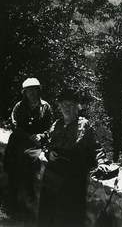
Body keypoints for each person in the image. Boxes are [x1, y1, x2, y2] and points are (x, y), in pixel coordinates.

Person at [37, 89, 111, 227]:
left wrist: (102, 162)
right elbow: (47, 143)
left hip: (72, 178)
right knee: (47, 215)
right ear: (59, 106)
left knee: (68, 217)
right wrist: (49, 153)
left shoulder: (84, 125)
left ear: (77, 106)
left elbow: (96, 147)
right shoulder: (57, 124)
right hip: (52, 177)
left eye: (70, 104)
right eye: (63, 104)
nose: (67, 108)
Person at [3, 77, 53, 222]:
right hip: (19, 141)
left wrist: (41, 136)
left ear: (38, 90)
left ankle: (28, 202)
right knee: (13, 165)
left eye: (34, 89)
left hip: (35, 144)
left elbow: (51, 128)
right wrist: (29, 136)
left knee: (30, 161)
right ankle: (12, 205)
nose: (31, 93)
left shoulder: (46, 107)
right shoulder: (19, 106)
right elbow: (14, 125)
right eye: (28, 90)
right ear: (24, 92)